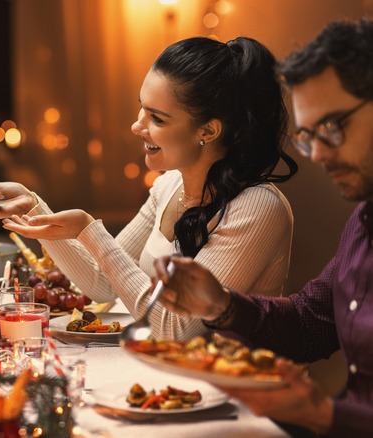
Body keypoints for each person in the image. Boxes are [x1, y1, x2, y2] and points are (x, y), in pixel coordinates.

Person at [0, 36, 297, 340]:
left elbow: (177, 328)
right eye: (142, 107)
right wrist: (33, 207)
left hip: (240, 391)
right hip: (176, 381)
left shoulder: (258, 207)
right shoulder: (169, 186)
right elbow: (102, 284)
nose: (137, 126)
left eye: (157, 118)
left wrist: (88, 229)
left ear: (208, 130)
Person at [151, 19, 373, 437]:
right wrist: (223, 306)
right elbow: (310, 324)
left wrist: (325, 416)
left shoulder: (262, 206)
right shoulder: (363, 223)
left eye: (332, 128)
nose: (319, 155)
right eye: (308, 137)